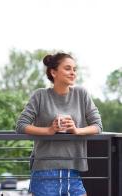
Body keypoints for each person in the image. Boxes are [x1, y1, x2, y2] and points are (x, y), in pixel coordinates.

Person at [16, 52, 103, 196]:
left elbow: (98, 126)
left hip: (73, 170)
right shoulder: (40, 95)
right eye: (68, 68)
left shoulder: (81, 94)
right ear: (53, 72)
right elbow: (21, 125)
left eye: (74, 69)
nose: (73, 73)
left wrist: (76, 130)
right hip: (45, 171)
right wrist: (49, 130)